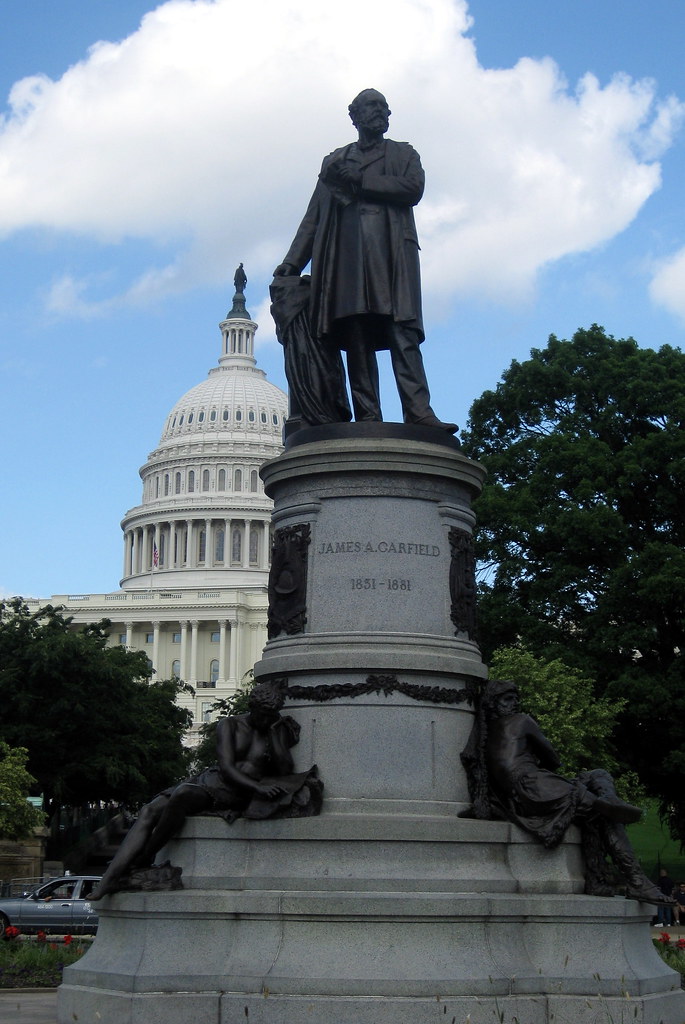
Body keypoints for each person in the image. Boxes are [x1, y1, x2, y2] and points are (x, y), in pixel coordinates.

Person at [274, 89, 456, 432]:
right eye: (372, 107)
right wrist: (292, 263)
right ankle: (367, 415)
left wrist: (360, 180)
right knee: (357, 337)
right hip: (347, 261)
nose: (381, 112)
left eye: (384, 107)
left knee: (402, 332)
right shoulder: (335, 162)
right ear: (354, 115)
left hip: (391, 255)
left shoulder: (403, 154)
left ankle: (418, 411)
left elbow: (412, 188)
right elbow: (313, 217)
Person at [89, 683, 321, 900]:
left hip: (233, 794)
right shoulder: (230, 725)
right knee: (149, 810)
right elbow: (227, 767)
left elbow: (284, 768)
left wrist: (273, 733)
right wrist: (258, 786)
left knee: (183, 795)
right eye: (263, 714)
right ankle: (109, 879)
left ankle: (142, 858)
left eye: (272, 714)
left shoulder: (275, 728)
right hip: (214, 781)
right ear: (252, 708)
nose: (267, 719)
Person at [461, 679, 672, 905]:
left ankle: (608, 800)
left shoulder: (482, 735)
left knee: (597, 783)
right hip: (535, 784)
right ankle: (637, 881)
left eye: (516, 699)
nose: (514, 704)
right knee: (602, 809)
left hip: (519, 795)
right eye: (508, 699)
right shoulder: (522, 720)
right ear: (493, 703)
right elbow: (553, 760)